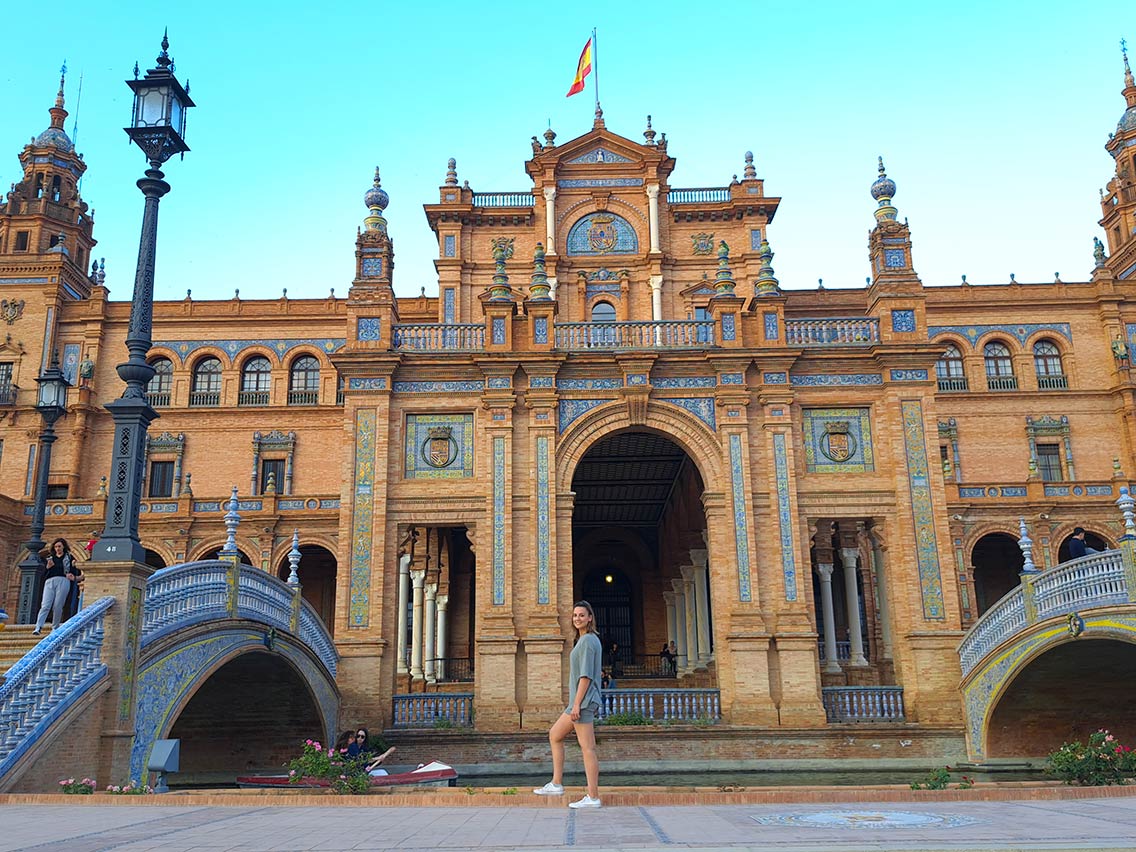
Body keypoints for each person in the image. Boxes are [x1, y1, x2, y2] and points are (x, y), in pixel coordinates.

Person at [533, 600, 603, 809]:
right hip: (579, 702)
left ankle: (593, 796)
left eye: (582, 615)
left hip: (583, 702)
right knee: (555, 734)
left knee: (588, 748)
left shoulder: (589, 641)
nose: (578, 618)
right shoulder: (583, 641)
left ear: (590, 618)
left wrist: (576, 704)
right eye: (575, 615)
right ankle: (556, 783)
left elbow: (586, 676)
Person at [33, 538, 76, 636]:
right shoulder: (50, 558)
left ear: (63, 547)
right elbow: (43, 573)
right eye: (56, 547)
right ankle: (38, 626)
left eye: (59, 546)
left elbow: (73, 571)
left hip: (63, 580)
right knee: (45, 605)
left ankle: (55, 627)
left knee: (58, 605)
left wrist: (72, 570)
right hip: (50, 581)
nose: (57, 548)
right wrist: (48, 567)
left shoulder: (69, 557)